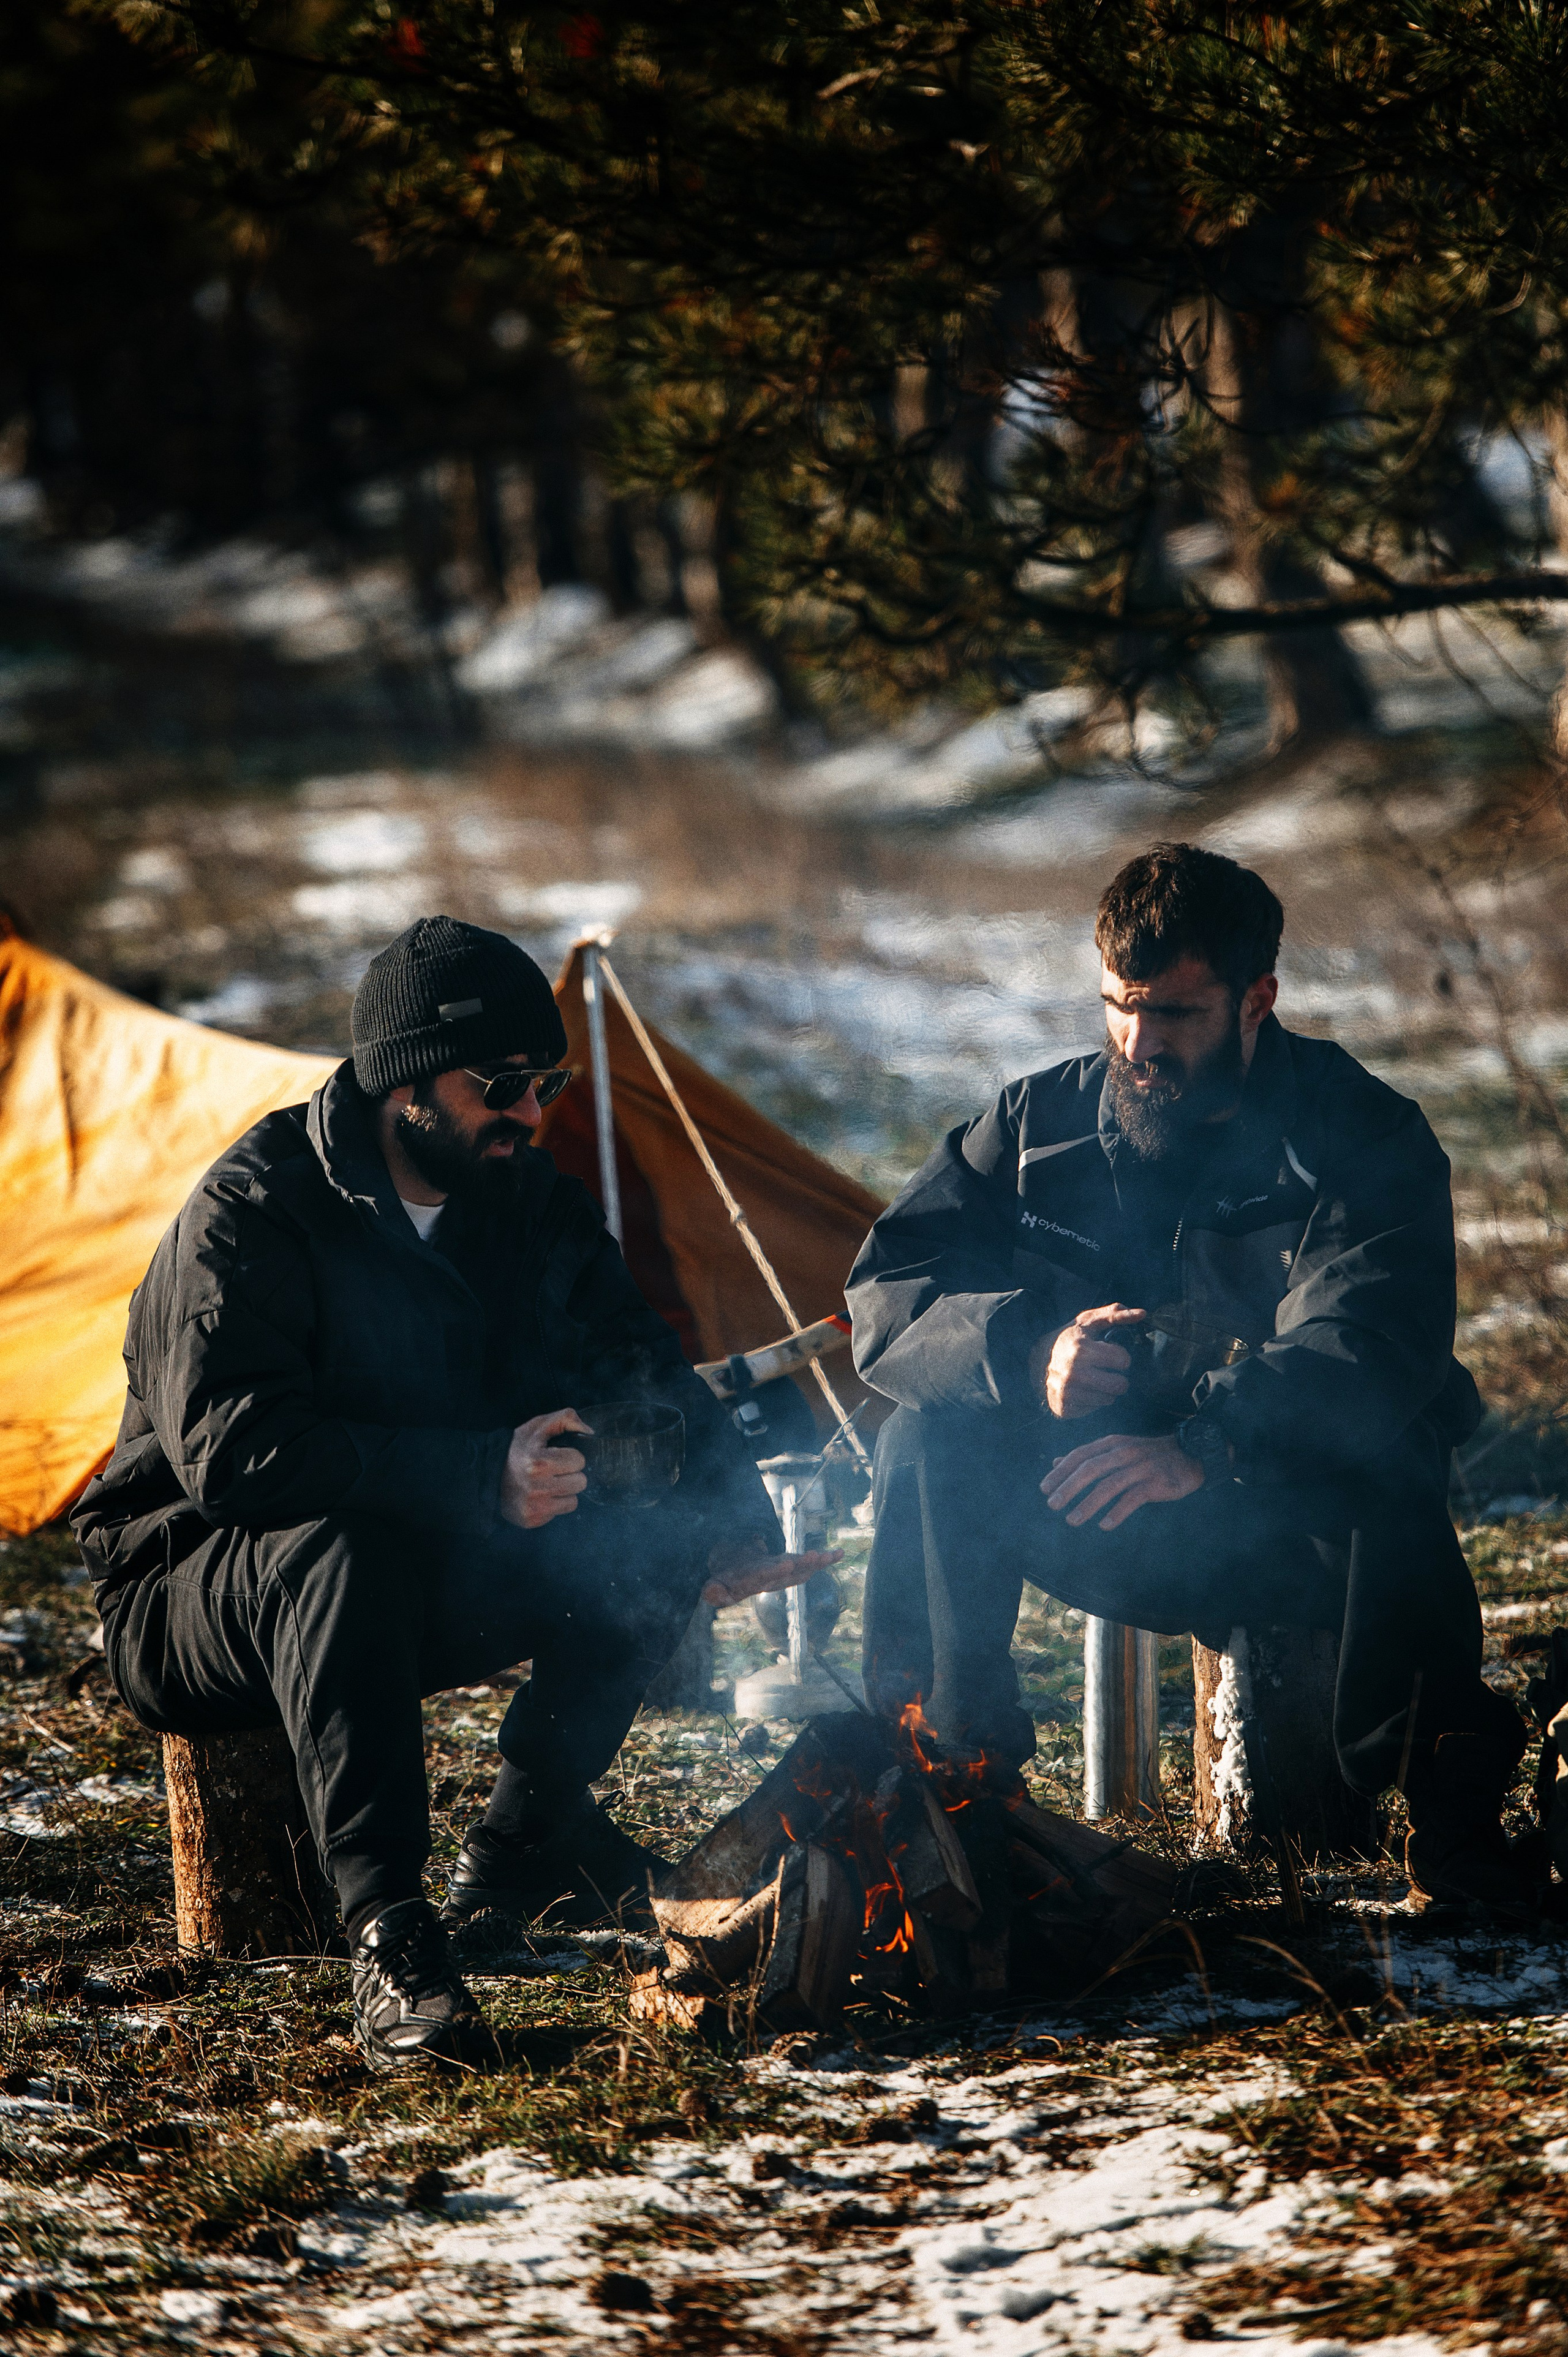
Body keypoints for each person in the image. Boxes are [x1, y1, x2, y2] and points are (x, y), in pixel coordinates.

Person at [73, 916, 832, 2067]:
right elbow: (235, 1457)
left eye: (546, 1083)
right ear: (407, 1085)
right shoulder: (255, 1213)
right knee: (338, 1544)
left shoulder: (522, 1199)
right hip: (191, 1589)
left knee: (650, 1518)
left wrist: (727, 1522)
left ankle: (528, 1846)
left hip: (418, 1561)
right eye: (503, 1084)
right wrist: (481, 1475)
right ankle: (390, 1934)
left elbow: (641, 1369)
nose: (531, 1112)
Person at [846, 842, 1532, 1912]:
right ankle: (950, 1791)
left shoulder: (1361, 1132)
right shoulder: (1035, 1129)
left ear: (1257, 1000)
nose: (1140, 1042)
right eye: (1120, 1007)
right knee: (927, 1437)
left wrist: (1209, 1443)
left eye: (1174, 1013)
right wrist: (1027, 1353)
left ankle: (1452, 1828)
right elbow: (888, 1289)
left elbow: (1370, 1343)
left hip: (1287, 1524)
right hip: (1105, 1511)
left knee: (1390, 1449)